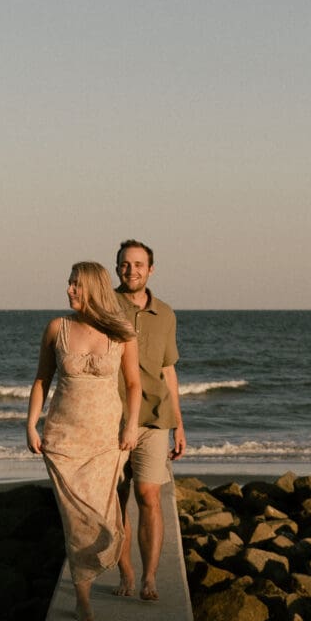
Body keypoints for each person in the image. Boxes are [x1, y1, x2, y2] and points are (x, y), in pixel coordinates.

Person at [26, 261, 141, 621]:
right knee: (75, 519)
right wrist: (31, 424)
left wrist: (131, 425)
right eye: (69, 283)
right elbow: (42, 380)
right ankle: (82, 596)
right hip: (63, 437)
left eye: (76, 284)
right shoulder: (56, 328)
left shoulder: (122, 334)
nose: (69, 290)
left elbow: (135, 385)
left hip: (107, 437)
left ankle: (120, 566)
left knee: (106, 514)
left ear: (93, 288)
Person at [113, 239, 186, 601]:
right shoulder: (105, 307)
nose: (132, 270)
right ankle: (126, 570)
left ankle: (150, 577)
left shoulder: (167, 314)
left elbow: (168, 369)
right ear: (117, 268)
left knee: (148, 495)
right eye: (126, 264)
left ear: (151, 269)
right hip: (112, 418)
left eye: (139, 264)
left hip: (155, 417)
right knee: (116, 498)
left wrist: (179, 423)